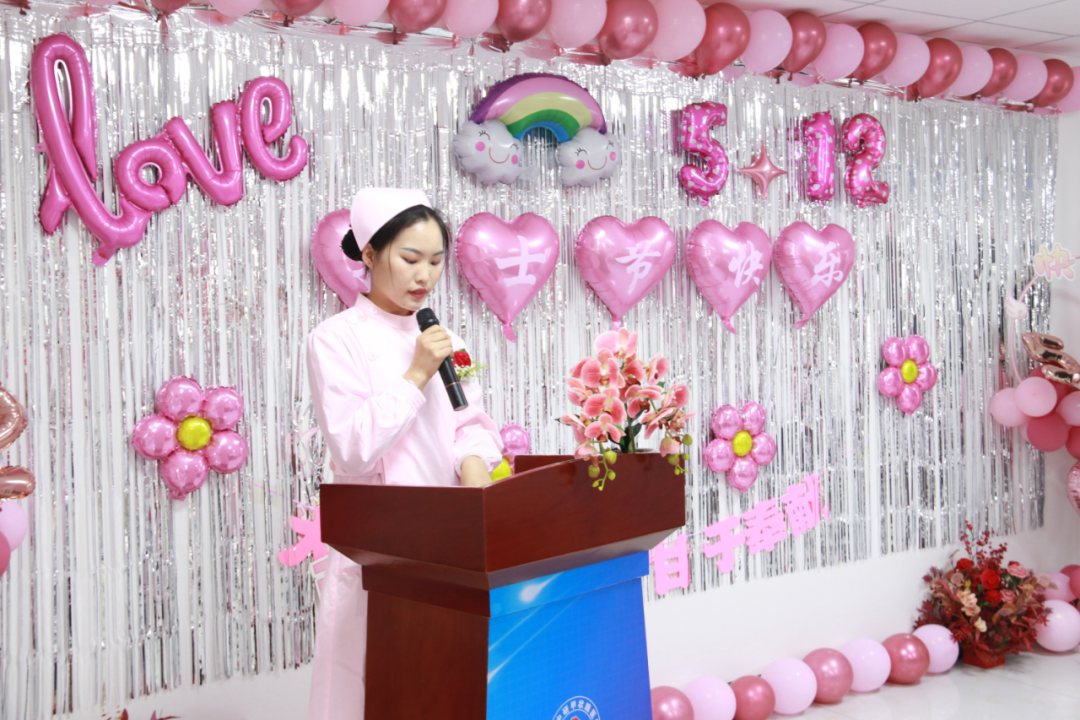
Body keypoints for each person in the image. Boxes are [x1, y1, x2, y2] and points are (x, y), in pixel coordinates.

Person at [305, 188, 503, 720]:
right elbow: (353, 448)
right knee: (371, 687)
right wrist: (416, 373)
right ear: (370, 254)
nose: (425, 276)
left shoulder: (444, 338)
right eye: (410, 259)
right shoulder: (334, 339)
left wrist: (477, 476)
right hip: (378, 550)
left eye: (436, 262)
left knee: (442, 685)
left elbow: (470, 423)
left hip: (448, 542)